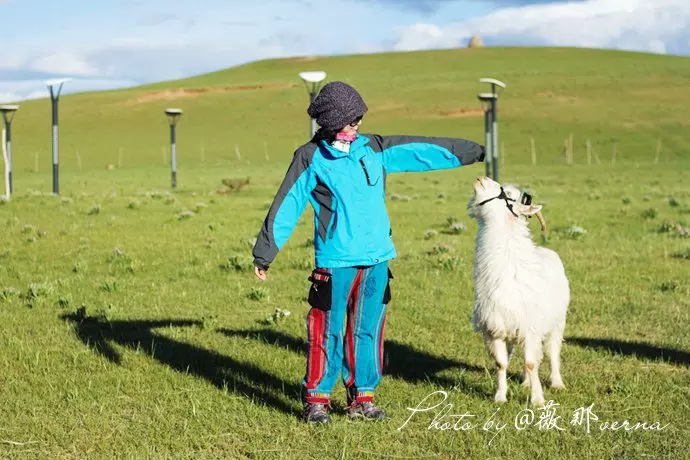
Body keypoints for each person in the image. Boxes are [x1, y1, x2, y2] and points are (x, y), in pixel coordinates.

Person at [252, 81, 485, 424]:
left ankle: (362, 398)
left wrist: (469, 151)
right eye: (350, 119)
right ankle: (316, 400)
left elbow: (421, 150)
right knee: (326, 330)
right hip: (335, 262)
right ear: (330, 122)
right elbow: (288, 203)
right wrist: (265, 252)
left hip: (377, 260)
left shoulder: (373, 147)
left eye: (359, 117)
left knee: (368, 330)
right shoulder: (310, 157)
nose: (357, 124)